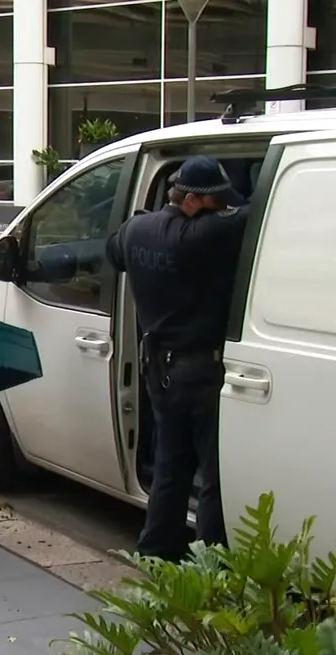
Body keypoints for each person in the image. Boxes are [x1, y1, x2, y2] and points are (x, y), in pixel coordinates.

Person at [105, 156, 251, 562]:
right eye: (216, 202)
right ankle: (209, 567)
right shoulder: (207, 236)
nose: (222, 208)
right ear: (191, 201)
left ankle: (155, 554)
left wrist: (145, 222)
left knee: (171, 468)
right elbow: (255, 211)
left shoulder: (136, 230)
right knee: (212, 478)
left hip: (160, 370)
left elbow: (114, 252)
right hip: (202, 372)